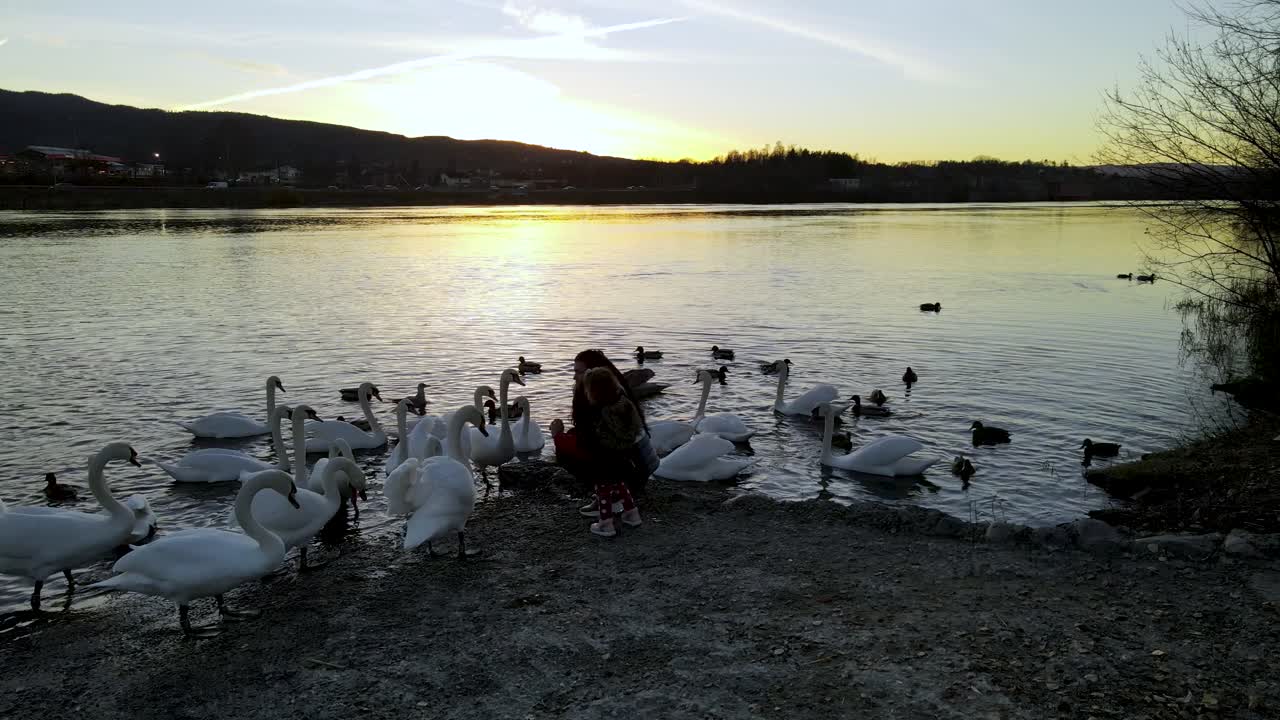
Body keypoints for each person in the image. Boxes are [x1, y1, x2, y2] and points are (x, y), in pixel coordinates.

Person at [551, 349, 657, 511]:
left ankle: (609, 498)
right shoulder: (618, 394)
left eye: (578, 372)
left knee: (569, 450)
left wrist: (557, 436)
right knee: (577, 436)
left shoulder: (601, 406)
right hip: (639, 466)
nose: (574, 377)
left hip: (630, 471)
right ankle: (616, 495)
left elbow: (593, 445)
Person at [577, 368, 644, 537]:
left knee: (603, 488)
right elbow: (633, 430)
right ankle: (632, 513)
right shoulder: (625, 405)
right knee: (619, 483)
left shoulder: (599, 412)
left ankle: (606, 523)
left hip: (605, 457)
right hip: (624, 454)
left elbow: (592, 437)